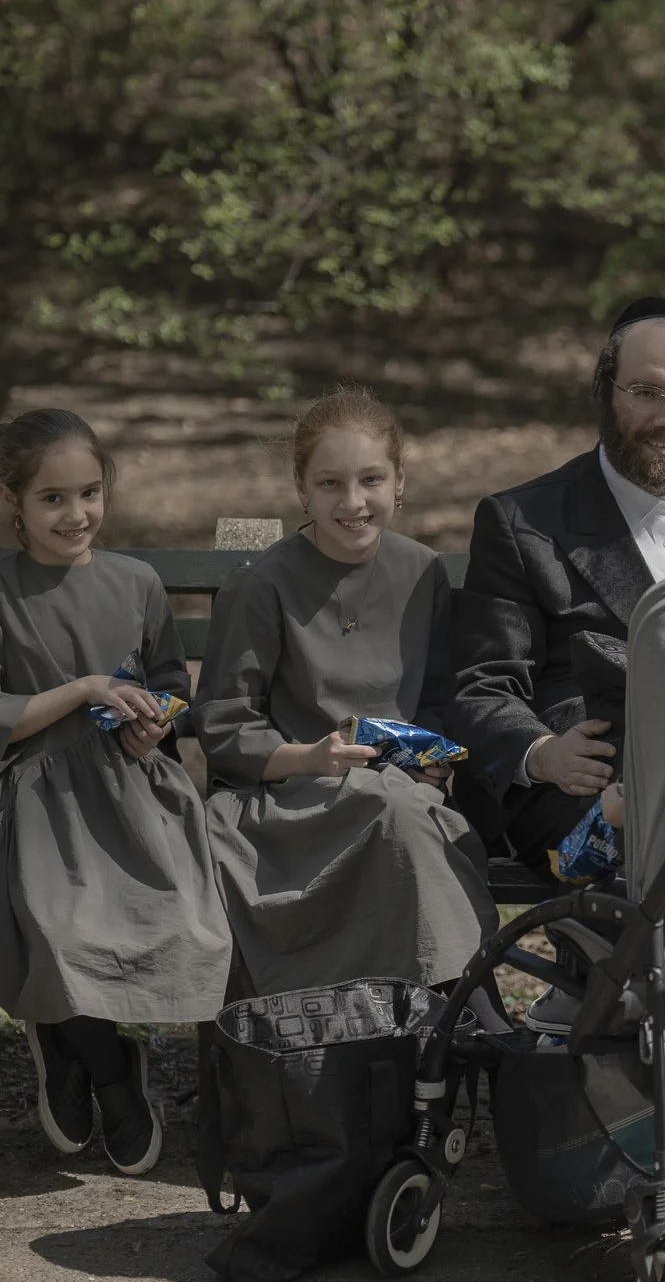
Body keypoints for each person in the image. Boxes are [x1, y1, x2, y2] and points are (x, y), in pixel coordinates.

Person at [0, 408, 230, 1179]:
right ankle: (110, 1073)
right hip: (32, 794)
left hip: (132, 790)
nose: (76, 514)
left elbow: (170, 686)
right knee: (58, 924)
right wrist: (83, 689)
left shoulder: (135, 583)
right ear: (13, 499)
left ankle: (67, 1044)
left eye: (90, 493)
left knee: (182, 921)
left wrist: (154, 724)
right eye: (53, 498)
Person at [443, 296, 665, 868]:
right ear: (604, 390)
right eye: (645, 392)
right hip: (595, 783)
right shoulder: (523, 522)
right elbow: (482, 688)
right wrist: (542, 753)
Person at [195, 389, 496, 994]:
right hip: (293, 802)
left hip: (401, 789)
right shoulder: (262, 585)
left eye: (370, 480)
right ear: (301, 489)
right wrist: (310, 757)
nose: (353, 502)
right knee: (401, 815)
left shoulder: (422, 572)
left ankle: (433, 1013)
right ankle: (463, 1002)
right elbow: (226, 723)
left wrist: (431, 757)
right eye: (330, 483)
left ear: (399, 482)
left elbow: (441, 697)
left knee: (405, 810)